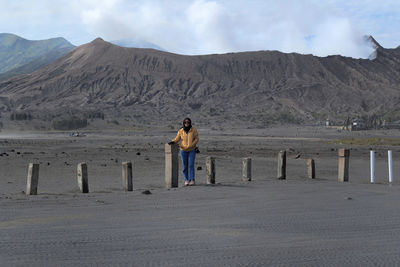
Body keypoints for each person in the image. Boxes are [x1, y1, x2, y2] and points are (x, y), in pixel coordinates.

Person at [168, 118, 199, 186]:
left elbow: (196, 138)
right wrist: (173, 141)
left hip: (192, 150)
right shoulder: (181, 131)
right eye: (185, 122)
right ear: (183, 123)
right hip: (183, 150)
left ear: (190, 123)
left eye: (188, 122)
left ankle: (192, 179)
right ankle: (186, 179)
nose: (186, 123)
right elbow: (177, 139)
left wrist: (192, 145)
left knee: (191, 165)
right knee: (185, 166)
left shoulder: (194, 130)